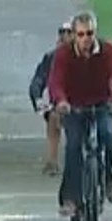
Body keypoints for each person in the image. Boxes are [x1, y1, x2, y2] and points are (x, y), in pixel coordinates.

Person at [48, 10, 112, 218]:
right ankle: (70, 198)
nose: (86, 39)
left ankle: (109, 180)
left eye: (90, 33)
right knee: (74, 145)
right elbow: (55, 82)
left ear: (95, 33)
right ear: (74, 35)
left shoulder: (107, 50)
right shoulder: (64, 54)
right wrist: (61, 101)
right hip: (73, 106)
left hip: (101, 103)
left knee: (107, 134)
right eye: (81, 34)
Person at [28, 20, 74, 176]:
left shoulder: (87, 56)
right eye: (62, 33)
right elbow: (38, 81)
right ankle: (52, 161)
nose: (65, 37)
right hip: (60, 104)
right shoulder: (51, 58)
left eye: (69, 33)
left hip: (83, 102)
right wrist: (38, 100)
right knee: (54, 117)